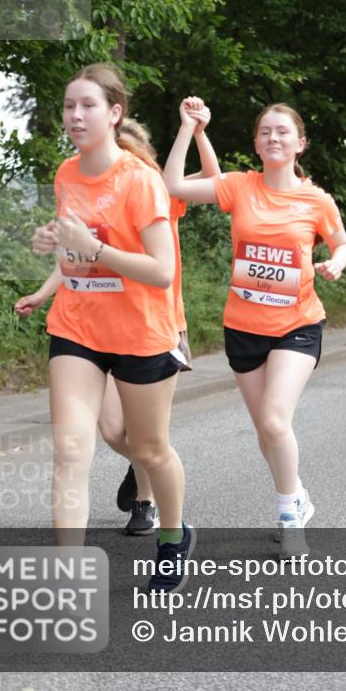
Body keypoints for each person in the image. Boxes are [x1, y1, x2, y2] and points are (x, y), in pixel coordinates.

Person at [13, 62, 191, 592]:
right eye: (69, 106)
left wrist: (96, 249)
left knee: (148, 448)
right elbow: (77, 250)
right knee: (71, 450)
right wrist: (58, 246)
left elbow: (161, 270)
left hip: (140, 331)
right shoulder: (67, 174)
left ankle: (173, 536)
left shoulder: (140, 182)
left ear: (115, 114)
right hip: (77, 327)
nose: (75, 114)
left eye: (88, 105)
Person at [163, 100, 346, 556]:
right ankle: (299, 495)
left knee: (273, 418)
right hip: (243, 327)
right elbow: (172, 185)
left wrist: (337, 264)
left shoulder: (316, 199)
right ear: (256, 143)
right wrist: (190, 128)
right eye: (265, 132)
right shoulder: (238, 186)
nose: (274, 138)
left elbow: (341, 242)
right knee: (266, 431)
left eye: (283, 132)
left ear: (300, 144)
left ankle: (290, 514)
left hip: (298, 325)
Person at [100, 104, 221, 535]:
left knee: (147, 433)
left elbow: (213, 177)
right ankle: (141, 465)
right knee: (113, 429)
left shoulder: (160, 190)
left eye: (130, 153)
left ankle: (147, 502)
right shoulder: (97, 196)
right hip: (104, 327)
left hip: (159, 326)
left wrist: (194, 129)